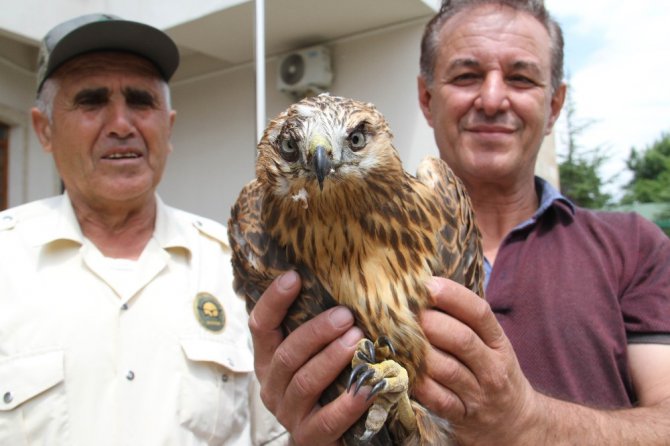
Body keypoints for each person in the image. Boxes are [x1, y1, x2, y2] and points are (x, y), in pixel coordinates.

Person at [247, 0, 670, 444]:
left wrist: (527, 422)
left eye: (521, 78)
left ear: (556, 103)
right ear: (427, 99)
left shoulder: (635, 246)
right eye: (466, 76)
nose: (491, 99)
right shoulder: (308, 231)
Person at [0, 14, 287, 445]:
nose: (121, 124)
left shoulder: (241, 268)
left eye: (141, 101)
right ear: (44, 129)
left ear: (168, 127)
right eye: (92, 101)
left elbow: (279, 434)